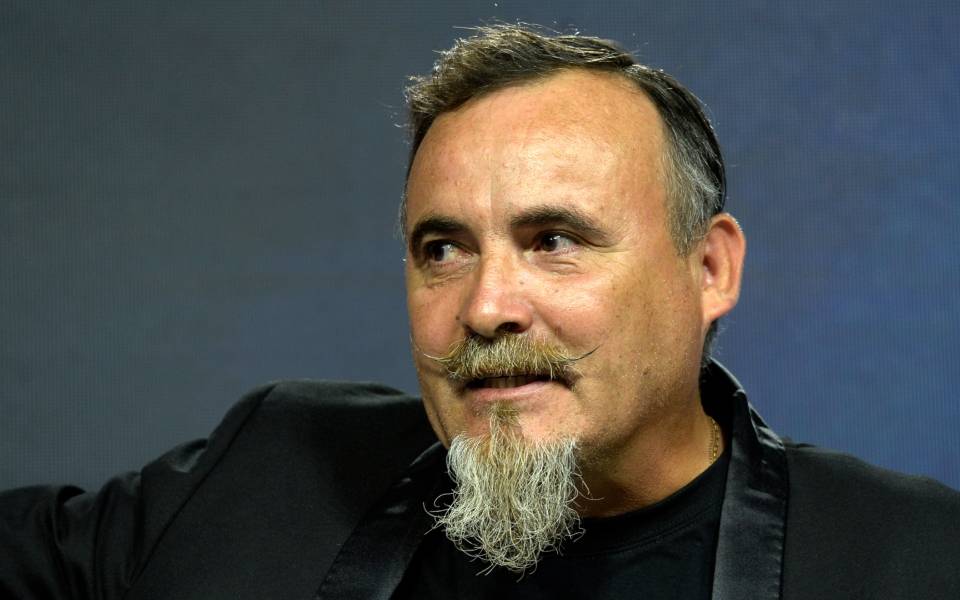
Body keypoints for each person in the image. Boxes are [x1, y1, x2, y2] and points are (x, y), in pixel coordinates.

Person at [2, 24, 958, 600]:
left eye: (555, 240)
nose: (488, 307)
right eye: (443, 250)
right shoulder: (272, 470)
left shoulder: (915, 560)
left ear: (709, 268)